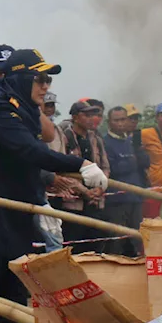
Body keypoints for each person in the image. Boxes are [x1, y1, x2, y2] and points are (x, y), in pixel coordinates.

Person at [0, 49, 105, 323]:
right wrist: (82, 165)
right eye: (40, 78)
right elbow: (32, 152)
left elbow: (36, 151)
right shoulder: (1, 113)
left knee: (13, 307)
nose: (46, 86)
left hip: (12, 224)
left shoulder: (21, 111)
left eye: (48, 79)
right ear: (21, 79)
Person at [57, 100, 112, 251]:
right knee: (74, 246)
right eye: (86, 114)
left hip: (95, 201)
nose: (91, 118)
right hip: (73, 203)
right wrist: (84, 191)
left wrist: (100, 188)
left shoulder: (96, 139)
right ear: (75, 117)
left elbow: (105, 167)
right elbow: (60, 168)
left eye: (92, 114)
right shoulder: (65, 137)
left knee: (96, 245)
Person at [102, 106, 148, 255]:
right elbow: (112, 168)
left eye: (123, 119)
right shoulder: (105, 142)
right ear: (109, 122)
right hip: (116, 200)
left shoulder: (131, 142)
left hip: (136, 198)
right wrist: (132, 162)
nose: (121, 123)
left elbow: (146, 162)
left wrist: (139, 152)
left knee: (137, 240)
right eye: (117, 120)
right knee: (117, 241)